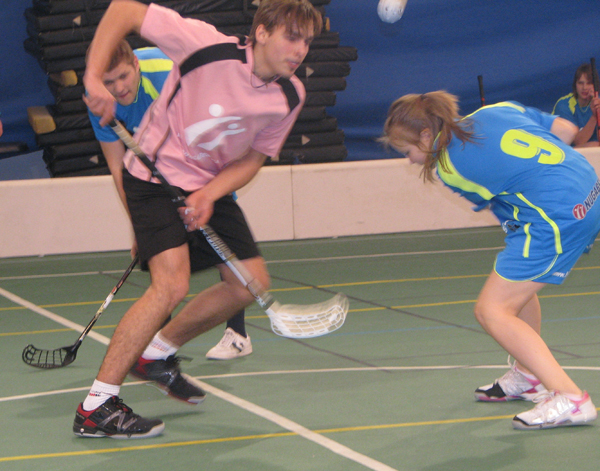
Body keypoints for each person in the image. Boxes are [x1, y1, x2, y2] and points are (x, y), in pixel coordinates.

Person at [75, 0, 322, 439]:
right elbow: (124, 9)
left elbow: (252, 159)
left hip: (207, 183)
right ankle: (96, 406)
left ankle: (156, 353)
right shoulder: (205, 45)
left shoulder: (290, 95)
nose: (300, 49)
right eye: (291, 37)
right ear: (262, 32)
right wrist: (94, 78)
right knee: (170, 285)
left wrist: (209, 193)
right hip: (152, 176)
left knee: (248, 283)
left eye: (306, 41)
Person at [380, 91, 600, 430]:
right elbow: (567, 131)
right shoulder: (496, 110)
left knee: (491, 310)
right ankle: (528, 374)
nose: (409, 161)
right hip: (589, 187)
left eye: (407, 151)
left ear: (425, 136)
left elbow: (502, 206)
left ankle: (571, 398)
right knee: (511, 280)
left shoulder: (450, 166)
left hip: (559, 215)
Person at [87, 40, 252, 361]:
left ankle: (238, 334)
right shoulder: (99, 100)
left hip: (202, 150)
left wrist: (201, 195)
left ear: (136, 64)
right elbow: (118, 168)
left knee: (224, 244)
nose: (118, 88)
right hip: (153, 170)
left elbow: (203, 134)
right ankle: (161, 350)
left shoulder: (166, 74)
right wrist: (140, 224)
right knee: (160, 249)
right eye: (108, 82)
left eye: (123, 76)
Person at [552, 63, 600, 147]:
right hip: (561, 150)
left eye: (589, 83)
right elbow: (577, 141)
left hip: (588, 150)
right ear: (575, 84)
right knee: (595, 146)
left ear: (595, 85)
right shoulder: (563, 105)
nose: (584, 87)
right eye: (580, 83)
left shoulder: (597, 103)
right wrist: (594, 116)